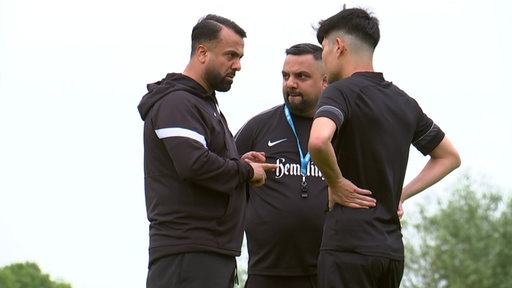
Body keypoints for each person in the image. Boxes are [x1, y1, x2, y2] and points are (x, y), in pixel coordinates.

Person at [307, 8, 461, 288]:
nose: (323, 59)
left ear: (338, 46)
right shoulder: (404, 102)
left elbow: (318, 140)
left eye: (324, 48)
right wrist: (400, 195)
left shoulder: (339, 92)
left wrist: (337, 182)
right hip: (390, 251)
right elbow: (449, 157)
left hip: (348, 247)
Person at [137, 14, 277, 288]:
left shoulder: (204, 104)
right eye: (230, 55)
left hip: (210, 252)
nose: (237, 65)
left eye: (240, 58)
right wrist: (246, 171)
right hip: (187, 253)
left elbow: (202, 159)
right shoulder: (177, 102)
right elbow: (193, 164)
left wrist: (237, 161)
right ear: (202, 52)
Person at [235, 43, 328, 288]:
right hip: (267, 273)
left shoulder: (339, 131)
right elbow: (224, 178)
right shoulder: (257, 128)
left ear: (325, 80)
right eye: (286, 76)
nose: (290, 84)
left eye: (302, 76)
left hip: (327, 272)